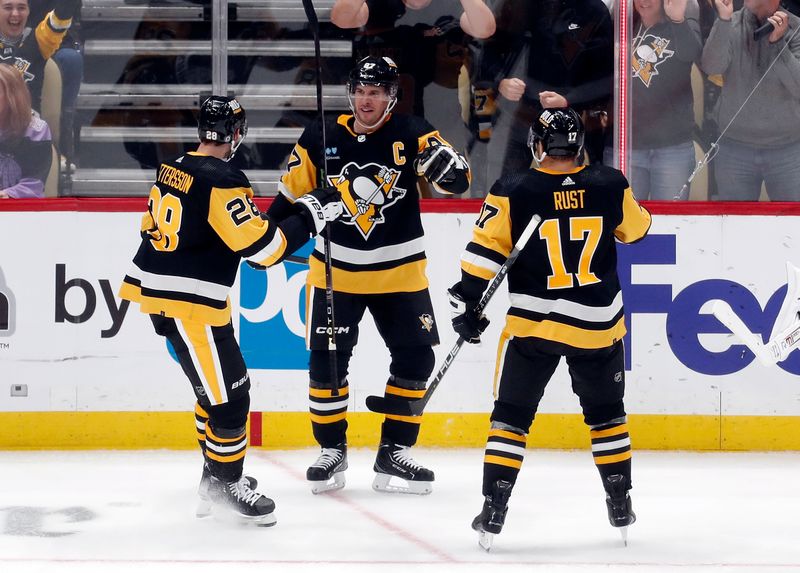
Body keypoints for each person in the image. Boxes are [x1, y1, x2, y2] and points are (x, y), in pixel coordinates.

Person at [118, 95, 344, 525]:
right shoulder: (223, 179)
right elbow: (263, 250)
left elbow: (153, 227)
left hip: (169, 297)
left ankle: (213, 478)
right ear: (236, 135)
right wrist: (313, 213)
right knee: (232, 399)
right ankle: (226, 486)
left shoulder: (173, 166)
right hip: (191, 306)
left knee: (212, 393)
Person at [448, 108, 651, 549]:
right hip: (597, 328)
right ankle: (620, 501)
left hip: (534, 328)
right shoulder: (610, 183)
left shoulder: (514, 188)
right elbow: (636, 232)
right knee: (607, 418)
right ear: (578, 144)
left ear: (537, 145)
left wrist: (467, 300)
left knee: (510, 421)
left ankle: (494, 508)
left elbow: (485, 250)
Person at [270, 55, 471, 495]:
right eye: (361, 91)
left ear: (391, 97)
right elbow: (288, 198)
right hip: (334, 273)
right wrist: (266, 239)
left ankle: (394, 452)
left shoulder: (414, 133)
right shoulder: (319, 135)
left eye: (376, 93)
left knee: (417, 359)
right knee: (327, 362)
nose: (366, 100)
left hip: (400, 272)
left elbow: (458, 182)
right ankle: (331, 450)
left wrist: (449, 171)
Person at [478, 0, 614, 170]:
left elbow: (605, 77)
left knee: (566, 188)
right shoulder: (524, 4)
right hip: (523, 114)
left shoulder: (594, 10)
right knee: (510, 185)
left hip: (572, 120)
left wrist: (569, 100)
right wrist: (501, 81)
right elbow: (490, 49)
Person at [701, 0, 800, 201]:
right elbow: (712, 66)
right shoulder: (731, 23)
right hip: (734, 149)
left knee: (792, 227)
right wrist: (723, 19)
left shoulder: (795, 28)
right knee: (733, 225)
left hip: (788, 150)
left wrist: (777, 44)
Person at [617, 0, 703, 200]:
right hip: (628, 146)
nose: (645, 2)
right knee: (625, 223)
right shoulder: (622, 27)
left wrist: (678, 20)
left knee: (671, 221)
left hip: (672, 147)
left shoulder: (679, 22)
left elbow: (693, 54)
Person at [0, 0, 79, 112]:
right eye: (8, 8)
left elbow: (58, 20)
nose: (15, 14)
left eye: (21, 8)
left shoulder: (37, 41)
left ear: (28, 11)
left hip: (28, 126)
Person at [0, 63, 52, 198]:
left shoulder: (37, 130)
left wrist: (7, 194)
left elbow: (35, 182)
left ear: (13, 96)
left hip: (22, 209)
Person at [331, 0, 496, 39]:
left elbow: (483, 29)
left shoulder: (458, 4)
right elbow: (342, 19)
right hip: (379, 104)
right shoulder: (381, 4)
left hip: (440, 112)